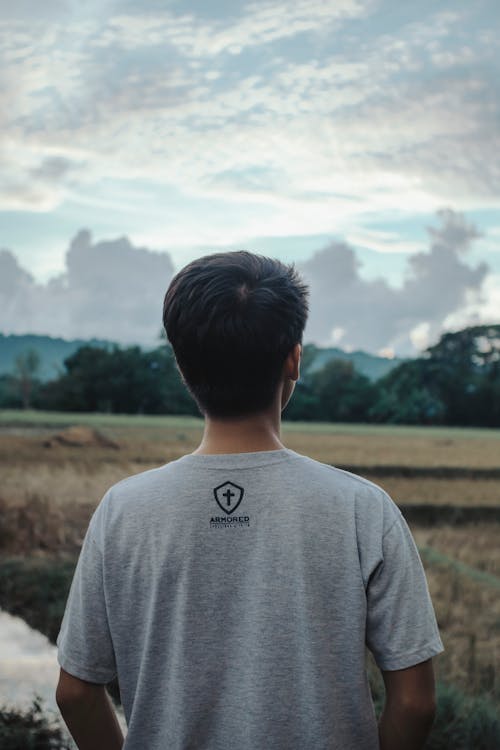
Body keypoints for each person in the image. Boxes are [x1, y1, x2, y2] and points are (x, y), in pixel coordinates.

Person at [55, 251, 444, 750]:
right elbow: (415, 702)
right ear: (293, 360)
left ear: (182, 365)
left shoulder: (123, 510)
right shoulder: (362, 508)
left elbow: (75, 691)